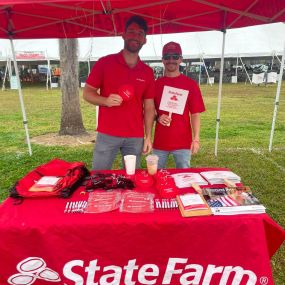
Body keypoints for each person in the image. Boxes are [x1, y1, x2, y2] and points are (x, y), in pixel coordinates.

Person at [83, 15, 156, 170]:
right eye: (131, 32)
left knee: (131, 180)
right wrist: (105, 101)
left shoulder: (147, 72)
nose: (135, 36)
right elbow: (87, 93)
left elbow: (149, 107)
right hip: (107, 133)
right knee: (99, 176)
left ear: (144, 40)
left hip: (134, 136)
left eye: (140, 34)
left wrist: (148, 136)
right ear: (123, 35)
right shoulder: (105, 63)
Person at [153, 41, 205, 169]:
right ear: (162, 60)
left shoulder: (190, 84)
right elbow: (150, 110)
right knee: (156, 175)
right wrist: (158, 117)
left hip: (183, 142)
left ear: (180, 59)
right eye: (167, 57)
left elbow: (195, 113)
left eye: (175, 56)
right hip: (160, 141)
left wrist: (196, 138)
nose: (171, 60)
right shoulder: (155, 84)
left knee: (184, 176)